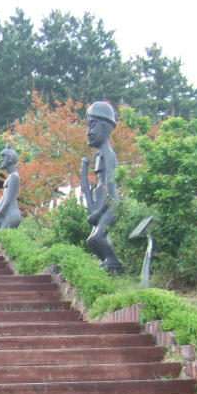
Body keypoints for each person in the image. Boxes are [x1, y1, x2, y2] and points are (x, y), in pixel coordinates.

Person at [80, 101, 124, 273]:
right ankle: (108, 263)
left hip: (111, 205)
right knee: (92, 239)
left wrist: (99, 212)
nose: (88, 132)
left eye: (92, 125)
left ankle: (114, 265)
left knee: (98, 236)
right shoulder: (99, 153)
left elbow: (111, 187)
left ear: (105, 127)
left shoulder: (107, 152)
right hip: (103, 204)